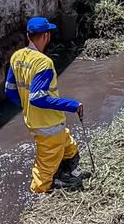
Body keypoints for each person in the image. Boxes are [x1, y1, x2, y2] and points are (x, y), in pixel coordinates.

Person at [6, 16, 85, 193]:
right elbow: (37, 98)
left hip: (38, 122)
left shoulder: (17, 57)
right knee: (44, 170)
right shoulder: (44, 63)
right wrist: (72, 105)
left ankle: (66, 174)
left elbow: (9, 90)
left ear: (29, 35)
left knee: (69, 147)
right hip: (48, 125)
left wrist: (25, 106)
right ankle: (40, 193)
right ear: (46, 36)